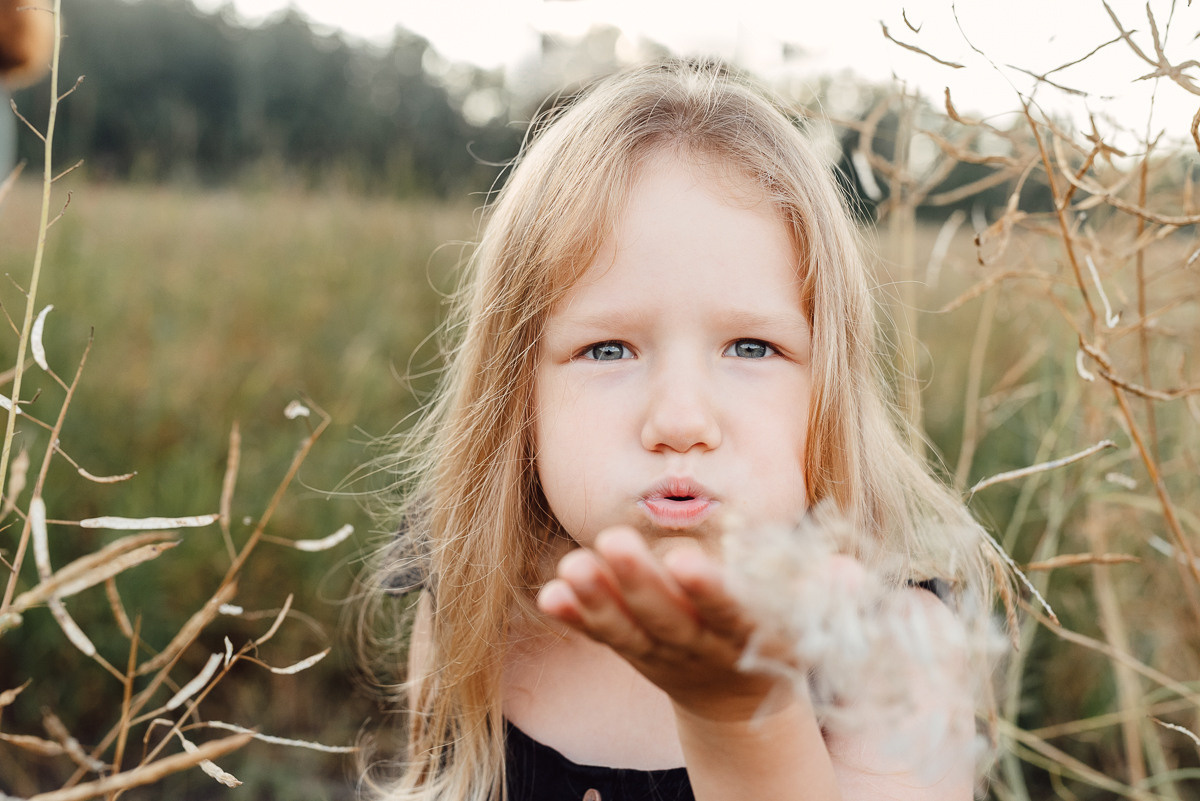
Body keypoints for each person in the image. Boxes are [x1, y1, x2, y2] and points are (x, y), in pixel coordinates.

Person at [363, 58, 998, 801]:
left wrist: (739, 713)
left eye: (751, 348)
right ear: (516, 397)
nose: (681, 421)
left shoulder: (893, 648)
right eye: (608, 349)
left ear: (829, 387)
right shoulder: (473, 604)